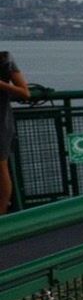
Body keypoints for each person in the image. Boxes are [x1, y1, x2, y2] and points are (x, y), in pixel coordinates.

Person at [0, 49, 29, 214]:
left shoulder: (5, 59)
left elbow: (25, 92)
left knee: (1, 168)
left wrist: (1, 84)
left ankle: (2, 213)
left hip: (1, 122)